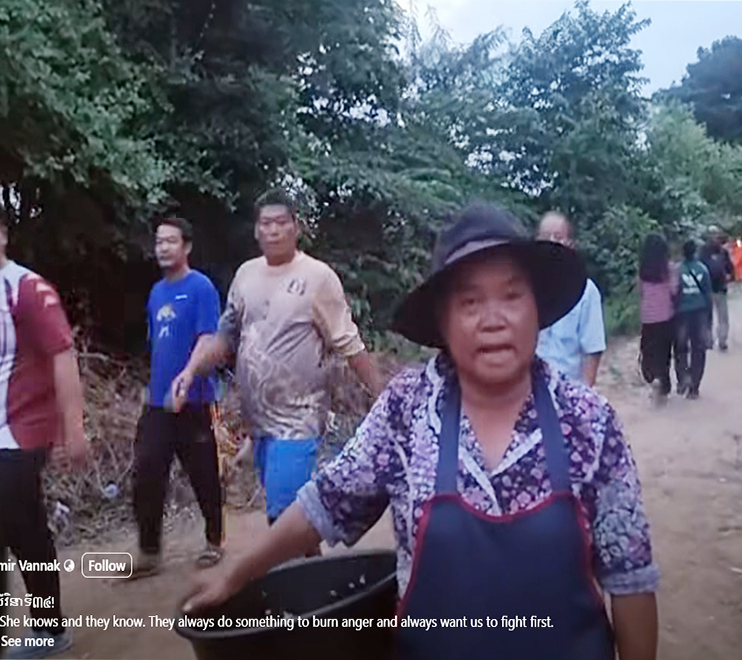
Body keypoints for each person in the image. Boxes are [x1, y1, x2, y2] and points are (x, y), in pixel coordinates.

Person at [182, 203, 660, 660]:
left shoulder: (589, 421)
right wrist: (237, 575)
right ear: (443, 322)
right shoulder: (407, 409)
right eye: (470, 301)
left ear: (538, 310)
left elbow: (631, 579)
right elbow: (326, 503)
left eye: (512, 296)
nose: (493, 319)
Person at [170, 190, 382, 555]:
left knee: (283, 519)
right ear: (256, 230)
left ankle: (297, 599)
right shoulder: (246, 275)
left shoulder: (317, 276)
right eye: (265, 223)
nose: (273, 231)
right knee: (292, 523)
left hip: (299, 416)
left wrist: (383, 396)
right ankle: (314, 588)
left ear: (296, 227)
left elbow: (350, 343)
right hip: (259, 423)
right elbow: (226, 336)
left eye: (281, 223)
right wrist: (191, 371)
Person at [0, 190, 88, 659]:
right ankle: (51, 631)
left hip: (24, 430)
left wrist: (74, 428)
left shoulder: (27, 288)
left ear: (3, 235)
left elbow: (62, 354)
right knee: (26, 526)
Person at [128, 217, 224, 578]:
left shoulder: (201, 288)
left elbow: (208, 338)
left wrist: (188, 374)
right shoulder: (156, 293)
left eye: (171, 241)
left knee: (203, 474)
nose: (163, 247)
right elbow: (158, 346)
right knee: (147, 471)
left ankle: (215, 540)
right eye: (159, 242)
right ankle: (150, 553)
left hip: (195, 399)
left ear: (187, 246)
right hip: (158, 403)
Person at [535, 211, 606, 387]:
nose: (552, 243)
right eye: (546, 237)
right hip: (528, 390)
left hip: (567, 388)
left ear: (570, 244)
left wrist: (585, 395)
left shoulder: (586, 291)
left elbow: (593, 349)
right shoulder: (525, 287)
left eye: (558, 237)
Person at [637, 233, 677, 405]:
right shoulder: (669, 269)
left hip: (648, 318)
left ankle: (651, 377)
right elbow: (674, 291)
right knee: (664, 354)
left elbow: (640, 291)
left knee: (648, 352)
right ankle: (663, 383)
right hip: (666, 317)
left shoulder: (642, 270)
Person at [674, 239, 712, 400]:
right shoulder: (703, 269)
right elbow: (707, 295)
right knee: (698, 349)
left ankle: (683, 377)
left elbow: (673, 294)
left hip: (682, 313)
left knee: (680, 348)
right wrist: (709, 319)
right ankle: (695, 387)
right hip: (700, 312)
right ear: (695, 252)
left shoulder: (677, 270)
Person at [699, 225, 733, 351]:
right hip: (707, 289)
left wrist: (729, 276)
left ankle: (722, 340)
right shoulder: (703, 251)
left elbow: (730, 268)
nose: (714, 237)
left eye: (716, 234)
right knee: (707, 316)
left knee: (723, 316)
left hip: (721, 288)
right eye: (711, 234)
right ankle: (708, 340)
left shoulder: (723, 252)